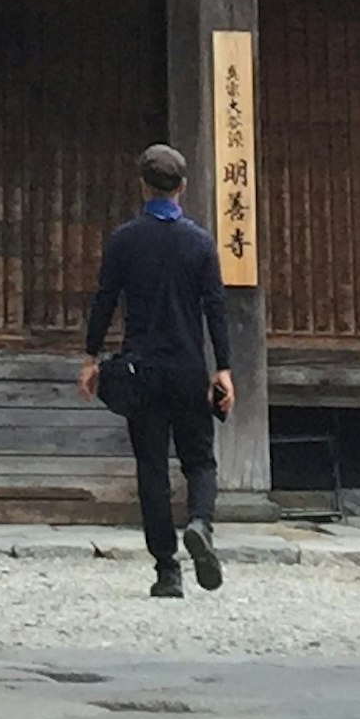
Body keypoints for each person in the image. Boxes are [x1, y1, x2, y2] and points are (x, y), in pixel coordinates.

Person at [80, 140, 233, 596]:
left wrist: (90, 357)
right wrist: (223, 367)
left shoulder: (125, 240)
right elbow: (217, 308)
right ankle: (201, 524)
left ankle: (167, 570)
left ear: (143, 187)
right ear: (182, 188)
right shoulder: (200, 243)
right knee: (200, 459)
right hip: (189, 367)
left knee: (151, 468)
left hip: (142, 371)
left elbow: (105, 299)